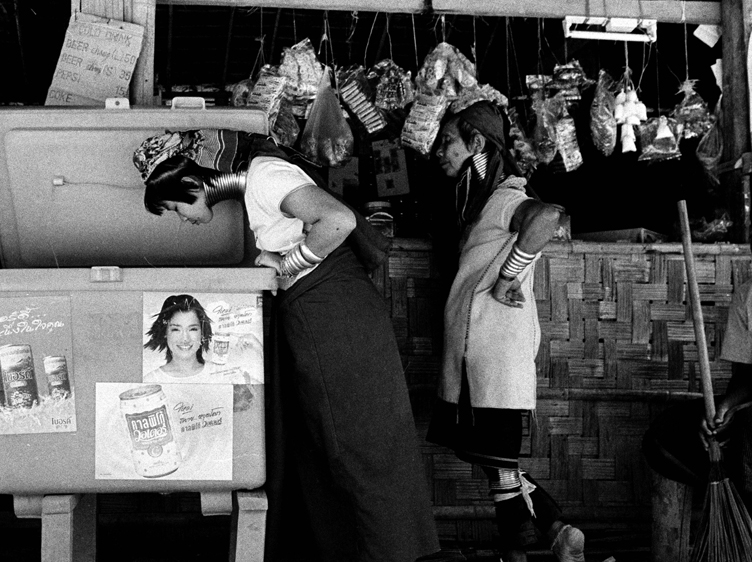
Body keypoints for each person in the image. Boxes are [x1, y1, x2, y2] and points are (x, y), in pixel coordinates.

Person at [133, 129, 441, 562]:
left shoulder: (265, 175)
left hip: (334, 313)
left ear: (191, 182)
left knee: (358, 449)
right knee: (333, 450)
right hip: (324, 313)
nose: (181, 218)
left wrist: (285, 265)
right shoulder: (254, 188)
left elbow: (338, 220)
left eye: (175, 206)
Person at [425, 101, 585, 562]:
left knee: (495, 465)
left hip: (490, 351)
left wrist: (510, 274)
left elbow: (547, 217)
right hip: (480, 352)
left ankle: (526, 537)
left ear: (476, 143)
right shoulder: (485, 203)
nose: (439, 151)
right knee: (491, 458)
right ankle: (554, 528)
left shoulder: (505, 198)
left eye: (448, 141)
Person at [643, 279, 752, 509]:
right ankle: (728, 503)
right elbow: (745, 376)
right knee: (664, 435)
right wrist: (726, 409)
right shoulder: (747, 294)